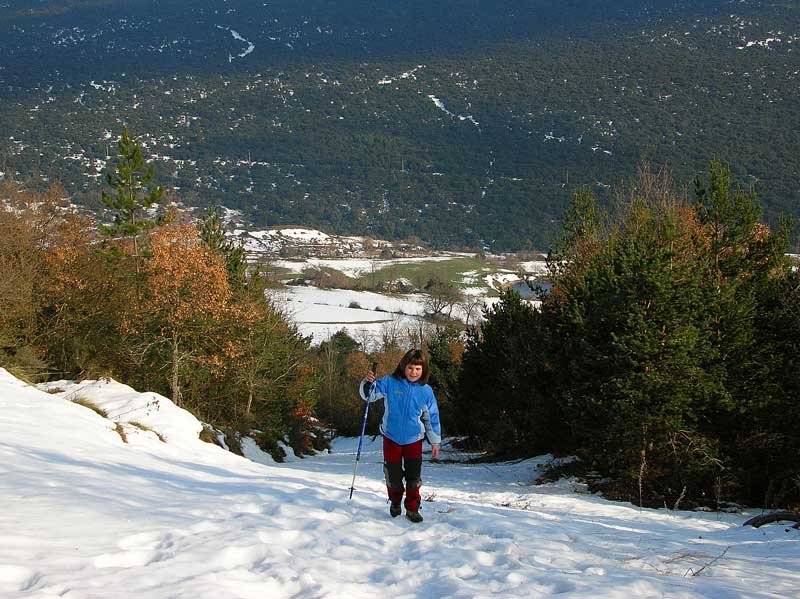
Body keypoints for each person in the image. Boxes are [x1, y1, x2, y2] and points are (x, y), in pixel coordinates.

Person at [360, 349, 442, 523]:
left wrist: (435, 441)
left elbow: (432, 417)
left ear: (423, 370)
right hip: (391, 437)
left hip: (414, 439)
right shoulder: (390, 382)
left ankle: (412, 508)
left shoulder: (426, 391)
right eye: (410, 368)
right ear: (403, 367)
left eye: (418, 369)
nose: (413, 372)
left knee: (413, 476)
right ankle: (395, 501)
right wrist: (368, 383)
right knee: (393, 475)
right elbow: (370, 395)